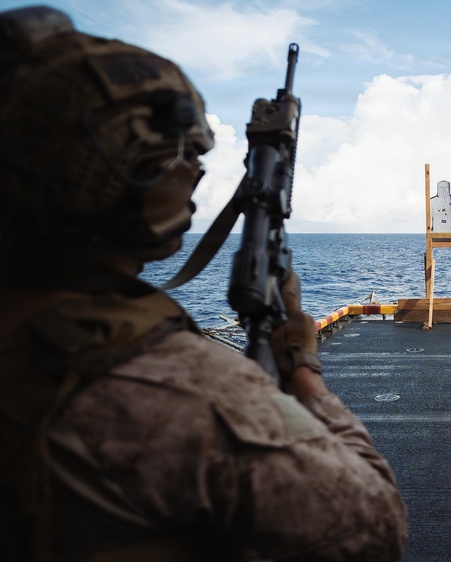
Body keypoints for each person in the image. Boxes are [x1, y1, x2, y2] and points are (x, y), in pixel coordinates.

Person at [0, 6, 407, 561]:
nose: (191, 172)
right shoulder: (180, 389)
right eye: (183, 156)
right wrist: (302, 370)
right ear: (129, 178)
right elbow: (372, 530)